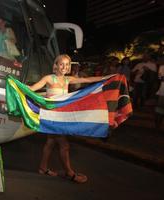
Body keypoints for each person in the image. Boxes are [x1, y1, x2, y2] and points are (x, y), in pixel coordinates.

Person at [29, 54, 107, 184]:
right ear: (56, 65)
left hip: (61, 116)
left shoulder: (67, 80)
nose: (64, 67)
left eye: (67, 64)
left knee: (50, 142)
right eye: (61, 64)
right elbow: (31, 89)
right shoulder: (49, 78)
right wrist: (17, 86)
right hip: (52, 116)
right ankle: (69, 173)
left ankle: (43, 168)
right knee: (64, 145)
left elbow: (87, 80)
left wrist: (105, 78)